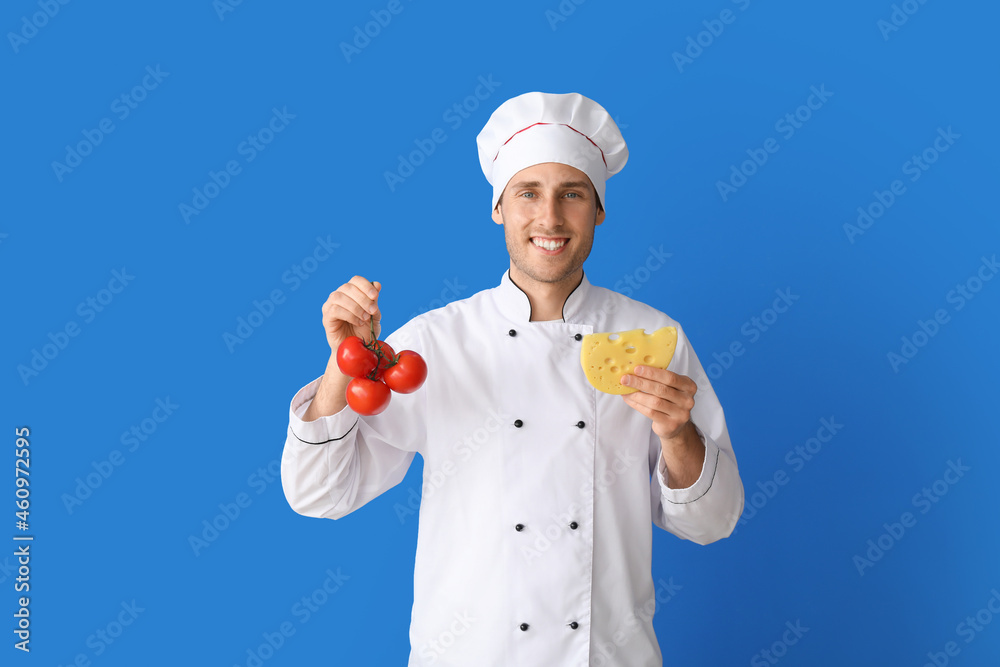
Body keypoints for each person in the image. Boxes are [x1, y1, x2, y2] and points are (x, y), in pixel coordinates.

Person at [280, 91, 745, 666]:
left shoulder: (651, 339)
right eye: (529, 193)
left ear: (598, 210)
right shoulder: (435, 342)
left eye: (571, 194)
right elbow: (318, 495)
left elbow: (713, 522)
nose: (549, 218)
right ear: (499, 207)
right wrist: (342, 361)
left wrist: (678, 436)